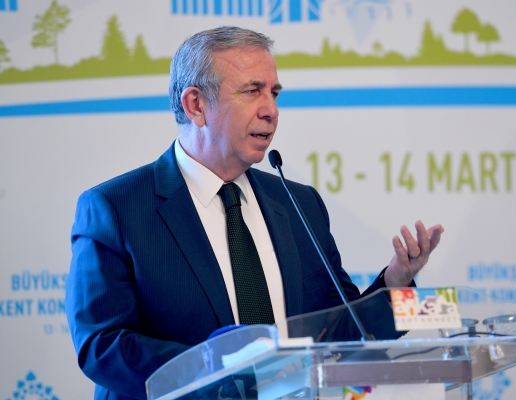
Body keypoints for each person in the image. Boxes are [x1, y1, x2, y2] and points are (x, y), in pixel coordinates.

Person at [65, 26, 444, 400]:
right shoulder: (117, 208)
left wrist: (396, 281)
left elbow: (343, 332)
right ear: (196, 105)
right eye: (252, 91)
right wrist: (219, 372)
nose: (271, 111)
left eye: (274, 93)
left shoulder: (299, 204)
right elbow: (102, 346)